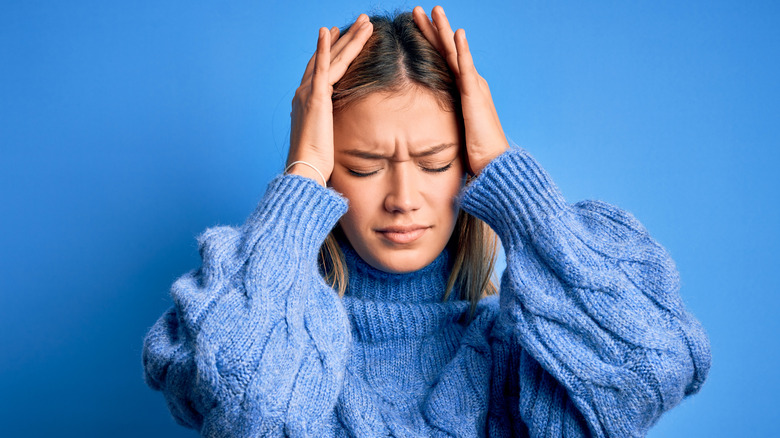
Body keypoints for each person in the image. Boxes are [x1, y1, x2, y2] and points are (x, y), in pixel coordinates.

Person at [142, 6, 711, 437]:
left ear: (465, 170)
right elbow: (251, 409)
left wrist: (515, 187)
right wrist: (301, 176)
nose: (403, 198)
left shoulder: (520, 352)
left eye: (435, 164)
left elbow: (655, 368)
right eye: (364, 168)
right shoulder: (257, 328)